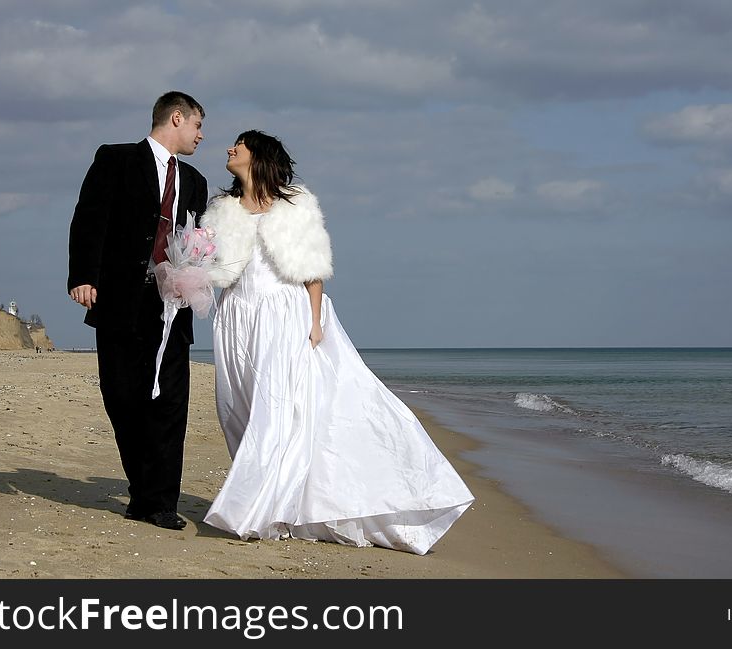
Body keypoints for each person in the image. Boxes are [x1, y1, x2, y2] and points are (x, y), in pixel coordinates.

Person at [202, 130, 474, 554]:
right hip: (237, 316)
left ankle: (253, 511)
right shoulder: (222, 210)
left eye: (239, 144)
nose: (229, 148)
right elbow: (211, 265)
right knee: (239, 408)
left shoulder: (295, 204)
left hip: (284, 314)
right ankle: (278, 501)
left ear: (258, 155)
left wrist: (314, 322)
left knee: (276, 413)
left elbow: (313, 270)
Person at [67, 91, 208, 530]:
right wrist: (82, 276)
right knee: (123, 397)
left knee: (171, 403)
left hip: (173, 306)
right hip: (120, 301)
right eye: (198, 126)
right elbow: (89, 219)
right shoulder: (116, 159)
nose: (201, 136)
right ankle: (141, 490)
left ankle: (159, 502)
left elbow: (197, 238)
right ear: (177, 117)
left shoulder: (197, 182)